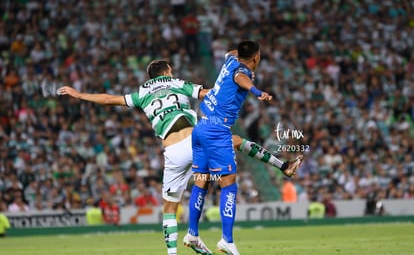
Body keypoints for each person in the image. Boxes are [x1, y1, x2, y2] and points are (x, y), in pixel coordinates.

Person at [58, 60, 302, 255]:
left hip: (172, 152)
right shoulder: (176, 82)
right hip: (194, 140)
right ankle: (283, 166)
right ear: (166, 71)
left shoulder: (142, 92)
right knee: (235, 142)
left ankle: (176, 250)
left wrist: (78, 94)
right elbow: (207, 93)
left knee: (169, 207)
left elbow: (110, 100)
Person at [185, 41, 303, 255]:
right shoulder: (241, 71)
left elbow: (232, 55)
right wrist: (256, 91)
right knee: (229, 185)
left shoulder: (231, 59)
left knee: (203, 180)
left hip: (201, 127)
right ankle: (227, 240)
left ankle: (193, 233)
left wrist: (239, 54)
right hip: (216, 130)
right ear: (256, 57)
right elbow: (240, 78)